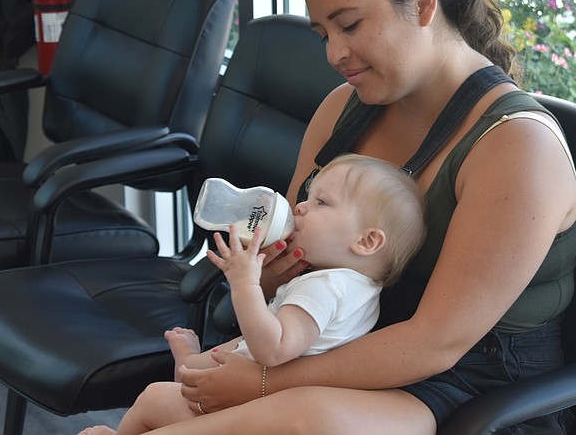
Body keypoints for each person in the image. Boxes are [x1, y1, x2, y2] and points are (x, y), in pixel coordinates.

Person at [97, 0, 576, 434]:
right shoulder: (343, 109)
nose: (334, 54)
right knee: (162, 406)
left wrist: (264, 384)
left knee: (308, 421)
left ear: (423, 3)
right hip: (341, 346)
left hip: (472, 391)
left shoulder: (516, 147)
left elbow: (437, 343)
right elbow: (296, 251)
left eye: (349, 25)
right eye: (324, 34)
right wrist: (276, 270)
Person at [79, 153, 426, 435]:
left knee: (154, 399)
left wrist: (245, 283)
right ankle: (189, 365)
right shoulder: (359, 290)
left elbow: (274, 348)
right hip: (261, 397)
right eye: (308, 196)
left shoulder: (327, 287)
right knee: (185, 383)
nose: (300, 207)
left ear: (366, 241)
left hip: (250, 404)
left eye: (321, 202)